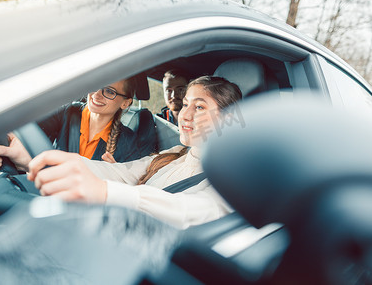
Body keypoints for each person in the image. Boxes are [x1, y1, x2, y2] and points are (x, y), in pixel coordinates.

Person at [27, 76, 243, 229]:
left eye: (199, 107)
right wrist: (64, 161)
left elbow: (186, 211)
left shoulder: (235, 177)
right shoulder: (175, 153)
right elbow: (123, 172)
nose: (184, 115)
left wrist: (105, 192)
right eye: (185, 104)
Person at [0, 77, 149, 173]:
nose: (97, 95)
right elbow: (29, 130)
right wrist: (5, 139)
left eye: (109, 91)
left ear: (126, 103)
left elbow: (126, 187)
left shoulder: (129, 143)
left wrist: (113, 174)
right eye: (96, 84)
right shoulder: (68, 112)